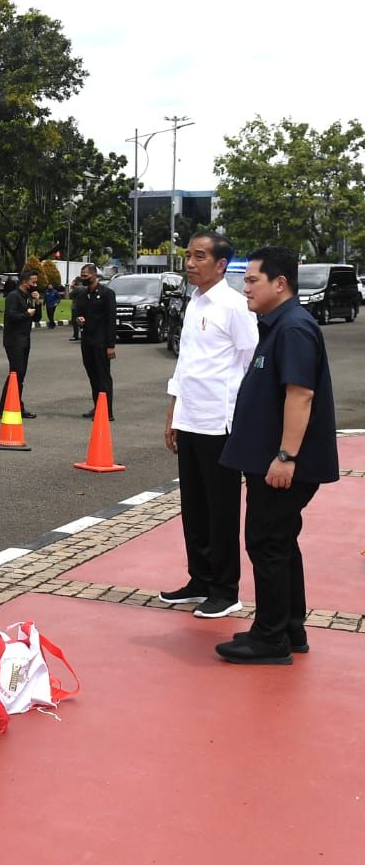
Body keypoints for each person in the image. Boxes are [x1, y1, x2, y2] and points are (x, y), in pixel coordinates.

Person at [216, 245, 338, 664]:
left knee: (266, 542)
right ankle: (288, 627)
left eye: (252, 280)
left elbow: (300, 395)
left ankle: (270, 639)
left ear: (279, 283)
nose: (245, 288)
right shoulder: (278, 325)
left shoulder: (293, 329)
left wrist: (286, 456)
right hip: (272, 460)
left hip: (283, 464)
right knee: (281, 542)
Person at [159, 232, 259, 618]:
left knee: (221, 509)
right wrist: (174, 413)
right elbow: (185, 364)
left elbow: (250, 361)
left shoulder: (235, 306)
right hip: (191, 419)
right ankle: (199, 578)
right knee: (194, 506)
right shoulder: (195, 301)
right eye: (188, 255)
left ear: (221, 264)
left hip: (221, 422)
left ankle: (225, 588)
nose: (189, 262)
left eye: (199, 256)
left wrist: (242, 418)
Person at [0, 269, 41, 418]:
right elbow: (12, 316)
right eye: (33, 282)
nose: (35, 285)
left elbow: (36, 318)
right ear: (24, 281)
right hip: (14, 340)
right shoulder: (13, 296)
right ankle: (13, 406)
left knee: (18, 375)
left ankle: (8, 405)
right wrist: (26, 314)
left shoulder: (28, 297)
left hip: (25, 340)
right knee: (17, 373)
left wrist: (37, 302)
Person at [75, 264, 116, 419]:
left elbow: (111, 320)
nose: (83, 278)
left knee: (103, 376)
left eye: (85, 276)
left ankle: (107, 411)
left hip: (102, 342)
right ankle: (97, 406)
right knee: (92, 375)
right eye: (82, 275)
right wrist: (79, 320)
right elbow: (78, 313)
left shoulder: (107, 294)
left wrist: (111, 345)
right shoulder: (82, 295)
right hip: (87, 341)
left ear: (94, 275)